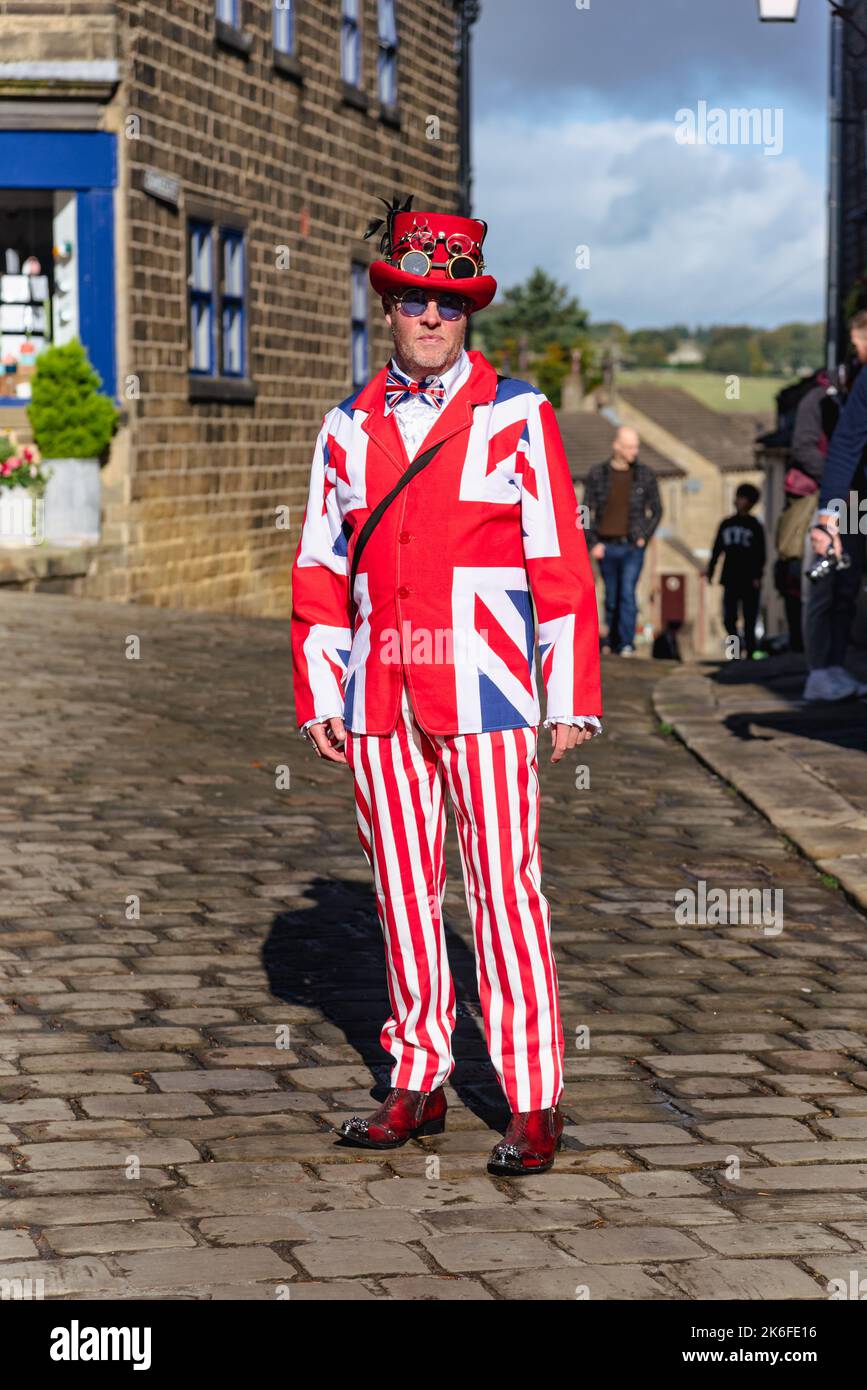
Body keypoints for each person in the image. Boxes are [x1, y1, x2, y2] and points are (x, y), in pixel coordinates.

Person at [291, 199, 602, 1177]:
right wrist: (322, 691)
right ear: (386, 305)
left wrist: (569, 691)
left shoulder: (518, 416)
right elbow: (319, 567)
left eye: (448, 303)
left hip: (492, 694)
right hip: (382, 694)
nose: (429, 317)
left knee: (506, 891)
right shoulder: (346, 429)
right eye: (413, 299)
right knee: (403, 891)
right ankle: (418, 1077)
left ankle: (533, 1095)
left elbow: (556, 559)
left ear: (468, 314)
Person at [804, 312, 867, 701]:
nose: (856, 351)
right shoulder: (851, 386)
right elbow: (845, 446)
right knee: (840, 583)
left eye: (859, 342)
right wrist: (830, 516)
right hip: (857, 500)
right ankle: (825, 670)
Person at [583, 427, 662, 655]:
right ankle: (612, 640)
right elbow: (584, 510)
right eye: (629, 447)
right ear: (616, 446)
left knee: (627, 592)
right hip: (605, 546)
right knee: (611, 596)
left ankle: (626, 643)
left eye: (636, 447)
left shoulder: (645, 474)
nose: (634, 451)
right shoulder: (597, 473)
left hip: (631, 546)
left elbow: (657, 510)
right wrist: (592, 543)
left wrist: (643, 538)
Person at [706, 484, 766, 658]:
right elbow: (717, 549)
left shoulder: (755, 526)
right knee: (728, 618)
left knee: (749, 618)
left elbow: (761, 554)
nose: (738, 501)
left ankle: (751, 652)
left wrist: (758, 576)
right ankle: (734, 651)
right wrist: (711, 570)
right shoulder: (726, 524)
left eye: (742, 498)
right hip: (730, 577)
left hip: (749, 578)